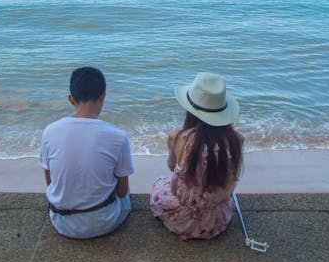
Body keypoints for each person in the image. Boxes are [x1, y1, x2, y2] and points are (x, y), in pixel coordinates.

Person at [39, 66, 133, 239]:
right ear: (103, 96)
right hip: (105, 222)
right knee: (126, 195)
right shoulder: (118, 137)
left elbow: (50, 182)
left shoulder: (50, 131)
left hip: (61, 222)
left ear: (71, 99)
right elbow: (121, 191)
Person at [150, 72, 244, 240]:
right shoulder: (236, 141)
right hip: (217, 220)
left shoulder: (178, 138)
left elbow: (173, 168)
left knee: (159, 184)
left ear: (190, 110)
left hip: (182, 219)